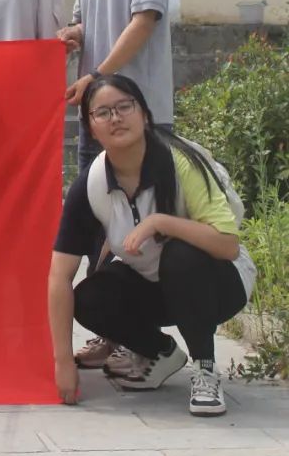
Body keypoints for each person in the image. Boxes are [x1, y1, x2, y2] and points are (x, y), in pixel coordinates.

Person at [49, 73, 254, 418]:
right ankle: (160, 353)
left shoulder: (179, 162)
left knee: (180, 254)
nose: (115, 118)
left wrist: (161, 223)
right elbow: (59, 276)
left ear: (144, 114)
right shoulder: (91, 184)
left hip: (218, 285)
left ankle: (205, 369)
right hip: (154, 286)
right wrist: (63, 361)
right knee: (89, 298)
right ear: (91, 128)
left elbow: (227, 246)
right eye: (103, 113)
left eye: (124, 107)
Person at [67, 0, 174, 372]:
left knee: (145, 234)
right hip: (96, 117)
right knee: (100, 229)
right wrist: (67, 36)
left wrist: (99, 78)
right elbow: (83, 23)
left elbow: (143, 22)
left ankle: (147, 339)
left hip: (139, 118)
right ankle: (111, 331)